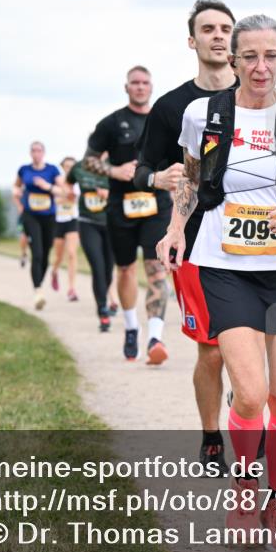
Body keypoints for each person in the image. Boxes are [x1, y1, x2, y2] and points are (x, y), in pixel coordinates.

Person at [158, 14, 276, 552]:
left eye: (270, 56)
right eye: (249, 56)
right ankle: (243, 491)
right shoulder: (204, 114)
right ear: (232, 61)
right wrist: (175, 229)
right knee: (251, 394)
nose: (260, 67)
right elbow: (190, 179)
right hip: (224, 265)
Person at [133, 0, 239, 471]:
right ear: (192, 41)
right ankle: (212, 436)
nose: (218, 36)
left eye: (225, 29)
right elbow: (141, 169)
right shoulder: (172, 106)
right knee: (212, 349)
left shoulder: (261, 98)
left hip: (256, 242)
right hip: (196, 240)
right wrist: (158, 178)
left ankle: (246, 408)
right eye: (208, 29)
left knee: (250, 346)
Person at [84, 66, 170, 365]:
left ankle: (155, 337)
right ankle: (132, 327)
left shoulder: (164, 121)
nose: (140, 87)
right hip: (121, 206)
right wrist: (114, 170)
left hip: (157, 205)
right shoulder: (111, 123)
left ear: (151, 86)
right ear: (127, 87)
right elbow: (88, 161)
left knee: (156, 269)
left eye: (145, 82)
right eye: (135, 82)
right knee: (125, 270)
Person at [67, 154, 115, 331]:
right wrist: (69, 193)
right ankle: (102, 311)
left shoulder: (115, 165)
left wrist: (109, 194)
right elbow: (67, 182)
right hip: (88, 223)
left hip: (111, 223)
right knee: (97, 267)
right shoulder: (80, 166)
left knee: (108, 270)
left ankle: (103, 301)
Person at [15, 141, 63, 310]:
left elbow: (62, 190)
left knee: (46, 252)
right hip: (30, 215)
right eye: (33, 150)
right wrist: (18, 201)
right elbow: (16, 186)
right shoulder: (24, 170)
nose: (36, 153)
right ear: (30, 153)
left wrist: (47, 186)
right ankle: (38, 291)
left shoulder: (52, 170)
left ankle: (39, 283)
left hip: (49, 216)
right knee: (37, 252)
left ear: (44, 153)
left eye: (39, 150)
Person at [51, 156, 81, 302]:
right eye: (67, 166)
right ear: (62, 167)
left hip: (73, 220)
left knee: (71, 254)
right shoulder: (57, 182)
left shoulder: (78, 183)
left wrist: (67, 196)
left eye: (72, 166)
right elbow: (54, 200)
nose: (69, 169)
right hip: (59, 221)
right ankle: (54, 271)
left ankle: (71, 289)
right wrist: (66, 196)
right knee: (58, 256)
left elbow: (78, 199)